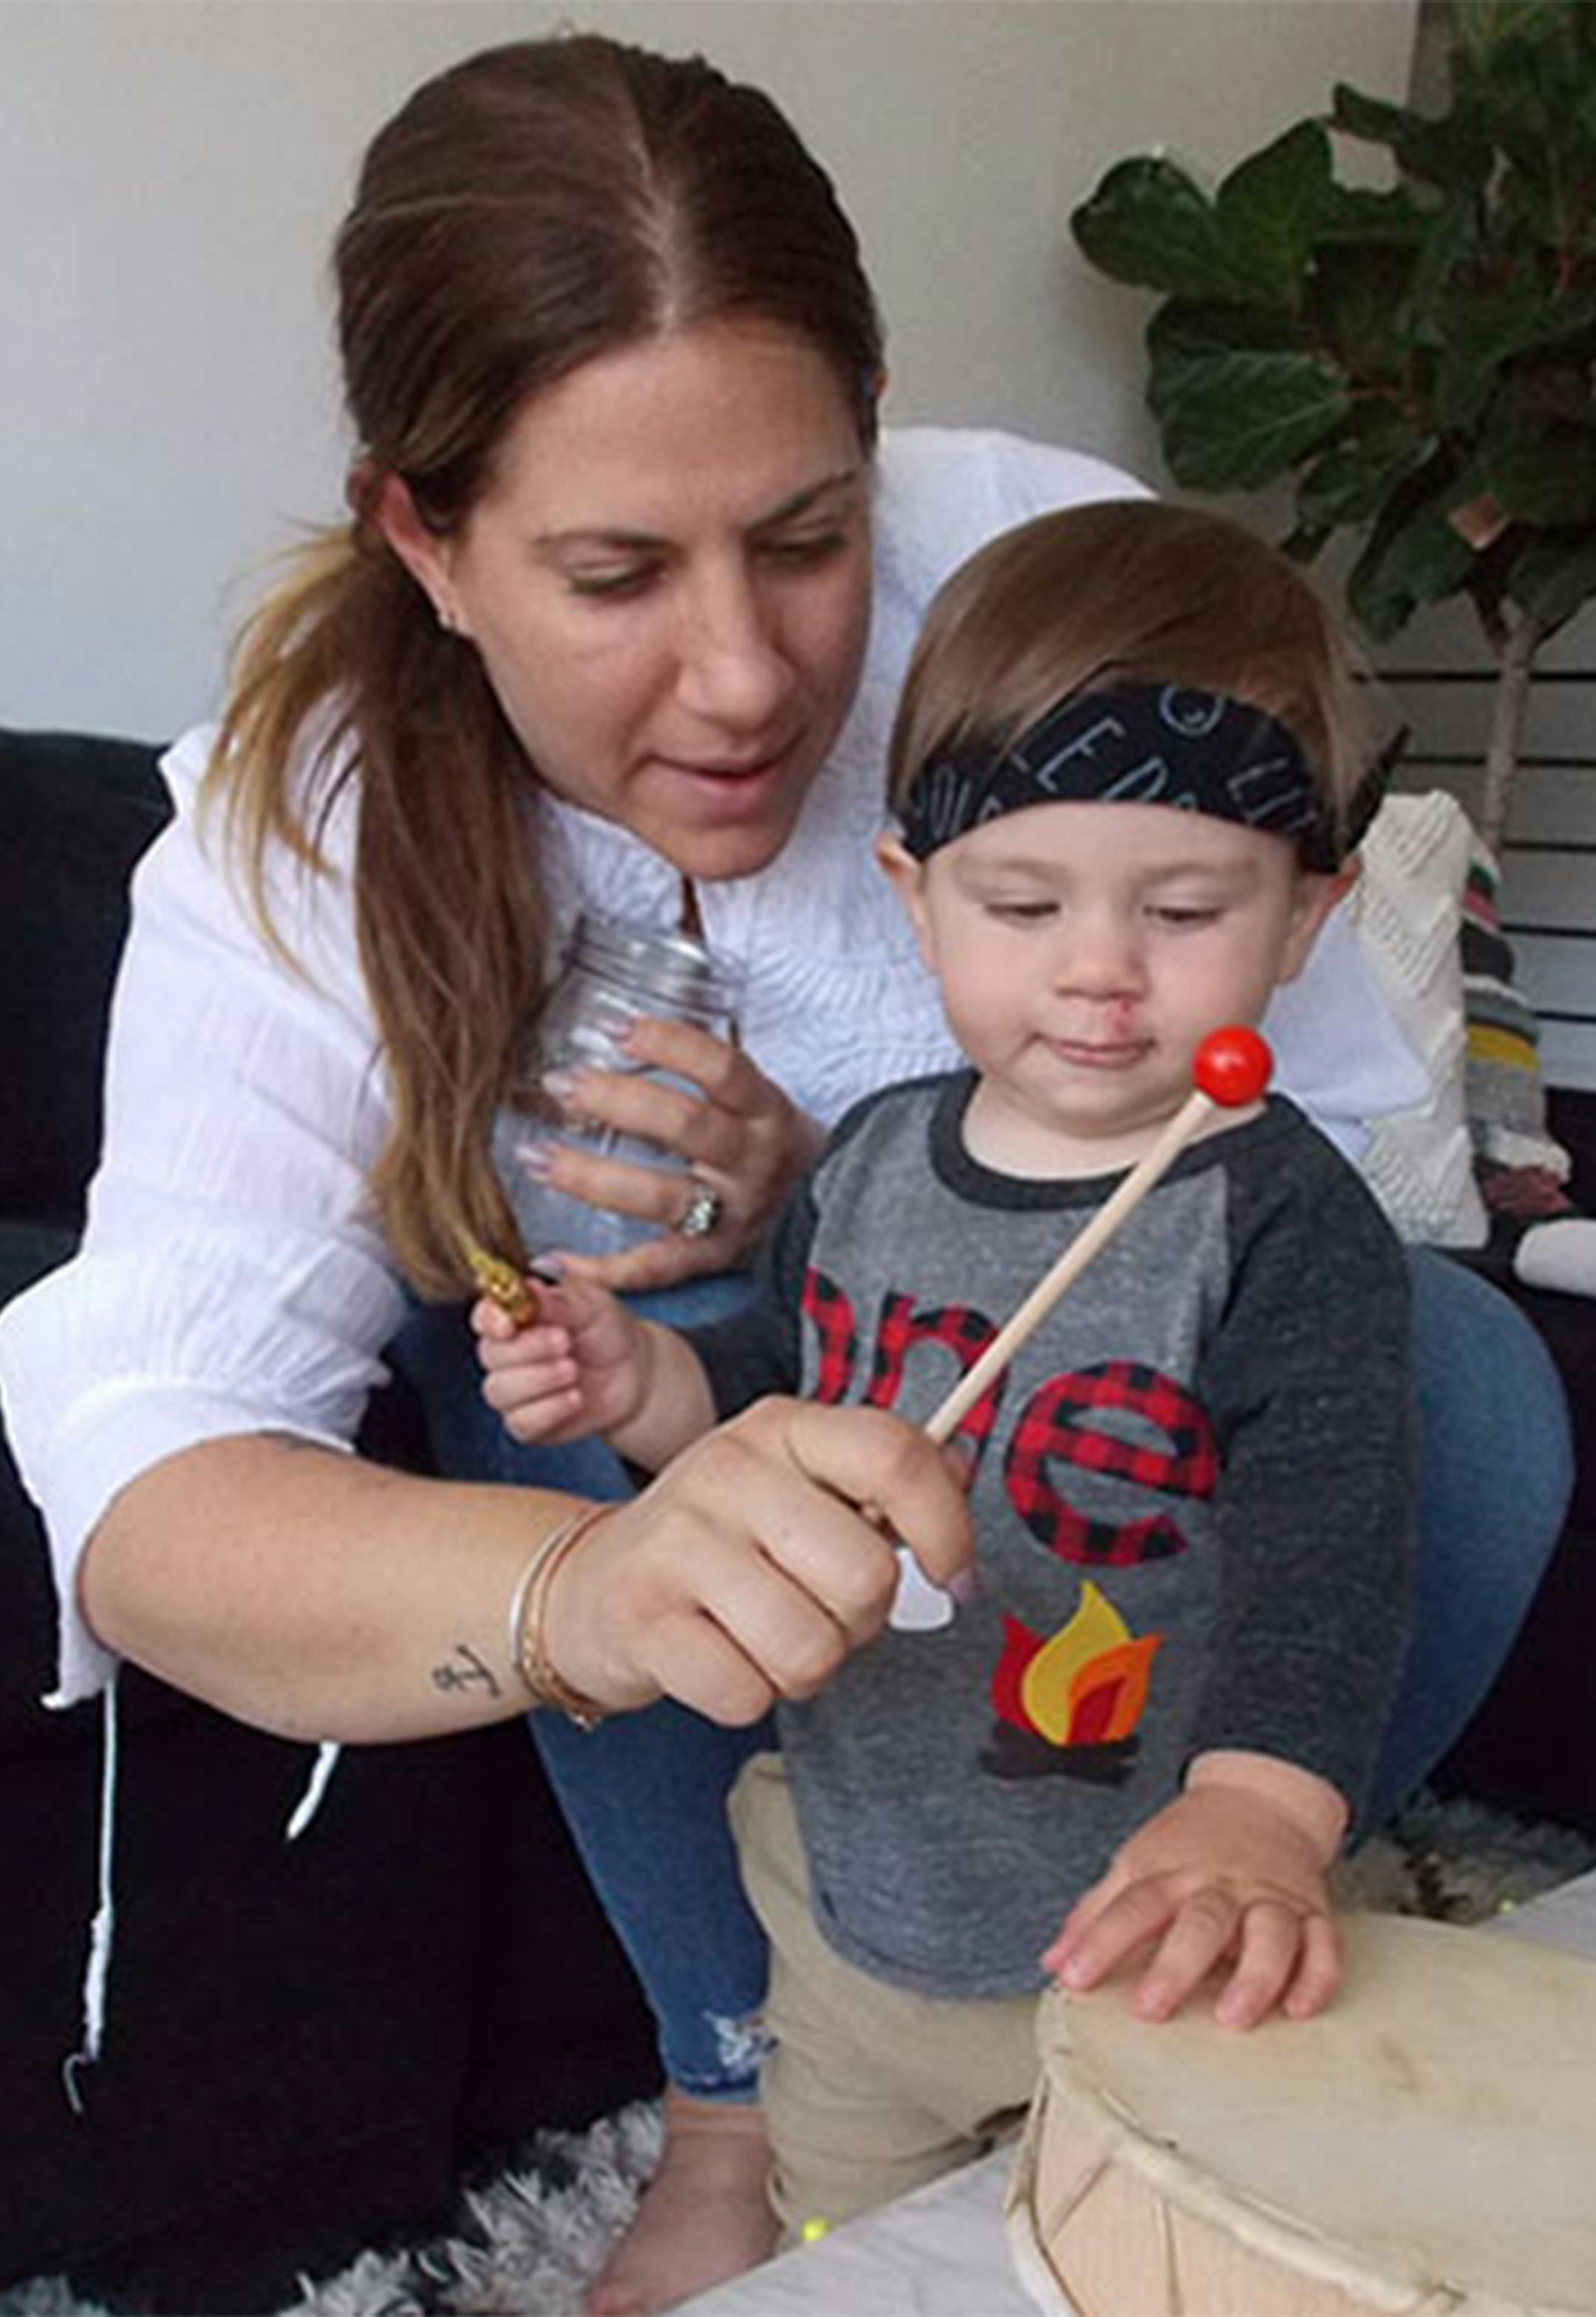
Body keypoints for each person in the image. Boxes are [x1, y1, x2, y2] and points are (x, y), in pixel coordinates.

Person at [0, 33, 1570, 2317]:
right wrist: (595, 1587)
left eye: (811, 540)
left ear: (879, 441)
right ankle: (737, 2082)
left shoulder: (1050, 581)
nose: (744, 676)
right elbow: (149, 1479)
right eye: (615, 572)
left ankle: (1138, 1946)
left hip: (1116, 1491)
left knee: (1451, 1368)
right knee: (526, 1332)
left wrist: (863, 1182)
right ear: (420, 539)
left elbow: (1294, 1154)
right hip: (721, 1544)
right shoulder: (301, 816)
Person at [471, 499, 1420, 2233]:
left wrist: (1265, 1816)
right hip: (857, 1904)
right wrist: (636, 1389)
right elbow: (776, 1388)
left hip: (1141, 1922)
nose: (1099, 973)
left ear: (1304, 917)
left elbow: (1335, 1554)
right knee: (856, 2237)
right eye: (1024, 898)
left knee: (1127, 2247)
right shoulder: (872, 1157)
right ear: (917, 894)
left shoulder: (1281, 1216)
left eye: (1188, 906)